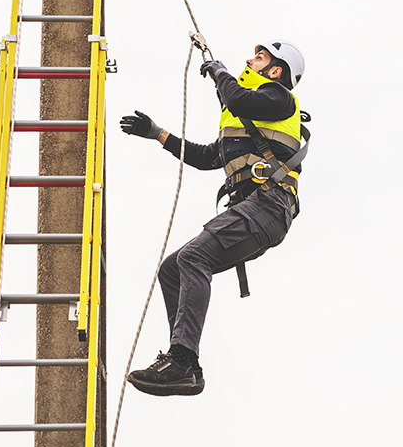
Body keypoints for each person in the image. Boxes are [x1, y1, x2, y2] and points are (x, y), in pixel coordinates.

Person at [120, 39, 308, 397]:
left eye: (260, 57)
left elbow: (237, 97)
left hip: (270, 205)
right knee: (173, 268)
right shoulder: (250, 116)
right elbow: (208, 157)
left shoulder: (279, 98)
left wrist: (219, 72)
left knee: (194, 257)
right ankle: (184, 365)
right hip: (256, 211)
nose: (248, 60)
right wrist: (157, 134)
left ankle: (182, 359)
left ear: (276, 70)